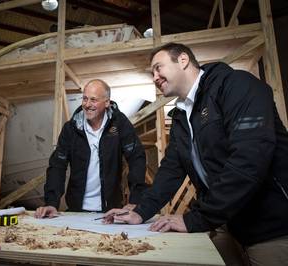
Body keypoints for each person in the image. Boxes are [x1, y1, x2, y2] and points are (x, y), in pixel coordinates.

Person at [104, 43, 288, 265]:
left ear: (183, 60)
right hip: (228, 224)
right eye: (152, 72)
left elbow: (249, 160)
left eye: (158, 67)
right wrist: (141, 212)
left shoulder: (236, 85)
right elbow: (171, 170)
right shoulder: (182, 115)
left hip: (272, 227)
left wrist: (198, 218)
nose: (154, 77)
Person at [35, 79, 147, 218]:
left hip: (111, 211)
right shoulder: (71, 129)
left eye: (93, 100)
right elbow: (57, 165)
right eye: (85, 99)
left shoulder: (120, 124)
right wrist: (51, 202)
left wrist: (136, 200)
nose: (87, 105)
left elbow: (137, 158)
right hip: (76, 210)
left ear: (107, 102)